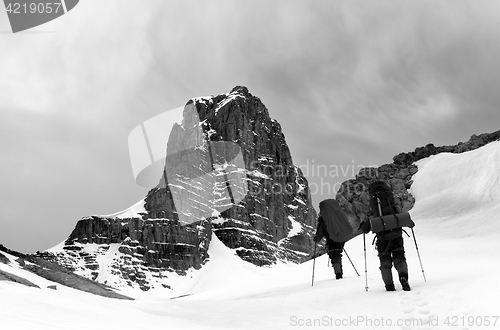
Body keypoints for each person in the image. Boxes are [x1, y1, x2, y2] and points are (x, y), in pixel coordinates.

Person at [360, 181, 411, 292]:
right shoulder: (391, 201)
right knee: (399, 257)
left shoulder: (373, 206)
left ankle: (389, 286)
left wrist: (363, 226)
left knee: (385, 262)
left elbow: (365, 229)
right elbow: (401, 214)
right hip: (397, 234)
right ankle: (403, 277)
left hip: (382, 239)